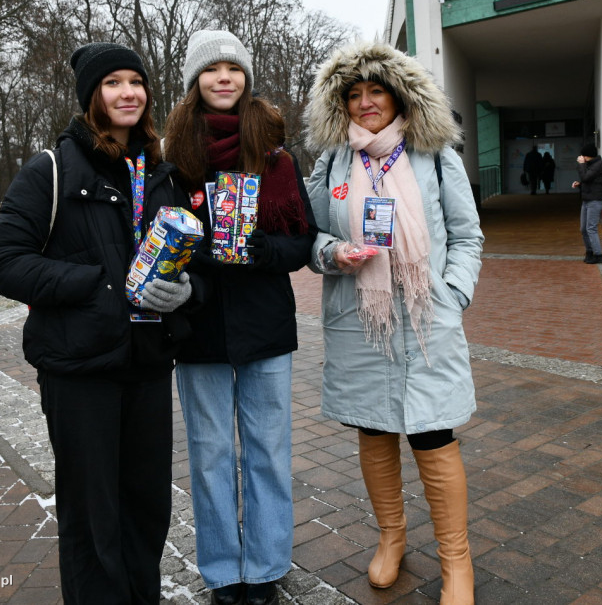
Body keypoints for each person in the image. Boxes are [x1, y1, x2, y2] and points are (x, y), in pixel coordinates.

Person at [0, 42, 199, 603]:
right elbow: (3, 262)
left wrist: (182, 291)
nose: (127, 92)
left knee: (146, 509)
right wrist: (98, 285)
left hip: (148, 365)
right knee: (90, 518)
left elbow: (183, 261)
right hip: (80, 370)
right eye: (112, 83)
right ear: (91, 97)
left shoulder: (161, 173)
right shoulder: (52, 170)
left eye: (136, 81)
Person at [305, 42, 483, 605]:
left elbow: (467, 235)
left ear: (398, 94)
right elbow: (308, 237)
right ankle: (392, 538)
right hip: (359, 318)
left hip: (428, 318)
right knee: (374, 428)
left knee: (434, 432)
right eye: (353, 95)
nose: (365, 103)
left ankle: (457, 561)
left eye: (374, 91)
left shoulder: (433, 153)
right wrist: (334, 254)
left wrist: (452, 292)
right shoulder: (332, 161)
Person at [163, 30, 316, 605]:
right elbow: (162, 238)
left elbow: (298, 245)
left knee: (268, 452)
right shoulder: (173, 160)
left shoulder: (275, 157)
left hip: (266, 327)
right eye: (211, 69)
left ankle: (267, 566)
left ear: (246, 78)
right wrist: (201, 252)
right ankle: (224, 572)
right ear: (195, 82)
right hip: (197, 328)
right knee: (209, 455)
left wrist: (253, 250)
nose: (223, 77)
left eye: (233, 68)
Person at [572, 141, 602, 263]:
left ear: (589, 155)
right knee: (583, 229)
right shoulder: (591, 164)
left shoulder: (599, 164)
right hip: (586, 199)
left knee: (591, 228)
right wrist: (580, 184)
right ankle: (589, 252)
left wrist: (581, 165)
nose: (583, 158)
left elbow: (586, 177)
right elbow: (588, 179)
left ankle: (598, 255)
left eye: (584, 156)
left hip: (595, 200)